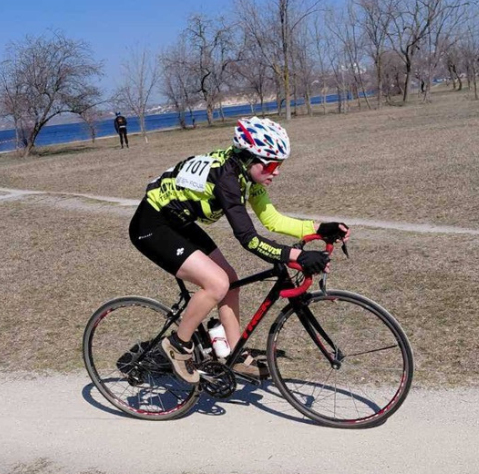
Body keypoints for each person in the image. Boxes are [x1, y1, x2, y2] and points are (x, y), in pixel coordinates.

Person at [128, 116, 349, 383]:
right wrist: (297, 256)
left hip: (178, 220)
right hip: (152, 224)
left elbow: (273, 220)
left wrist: (320, 228)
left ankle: (233, 354)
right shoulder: (228, 179)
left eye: (280, 165)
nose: (277, 171)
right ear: (250, 159)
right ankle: (177, 345)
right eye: (272, 165)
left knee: (231, 280)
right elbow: (248, 239)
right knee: (217, 283)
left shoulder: (247, 176)